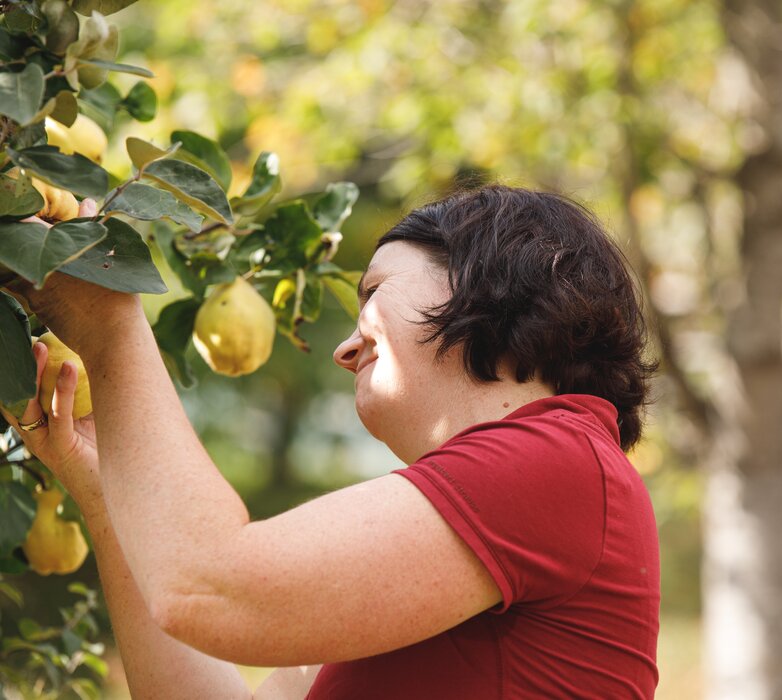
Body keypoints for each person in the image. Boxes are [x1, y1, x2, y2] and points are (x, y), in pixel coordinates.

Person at [3, 184, 660, 699]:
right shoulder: (481, 526)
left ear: (490, 280)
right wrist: (103, 490)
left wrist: (113, 330)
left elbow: (208, 586)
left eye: (373, 293)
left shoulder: (559, 461)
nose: (345, 349)